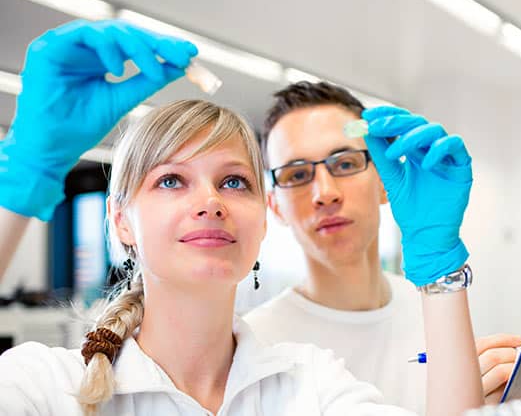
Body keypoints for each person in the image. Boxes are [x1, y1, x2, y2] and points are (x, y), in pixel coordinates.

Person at [0, 20, 485, 415]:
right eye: (171, 180)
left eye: (234, 182)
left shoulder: (308, 385)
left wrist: (438, 266)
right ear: (121, 220)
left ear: (262, 220)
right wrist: (21, 180)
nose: (211, 201)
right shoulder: (45, 387)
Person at [243, 82, 521, 413]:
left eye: (345, 163)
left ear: (384, 181)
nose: (325, 193)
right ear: (275, 207)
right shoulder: (253, 343)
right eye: (297, 173)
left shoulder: (438, 307)